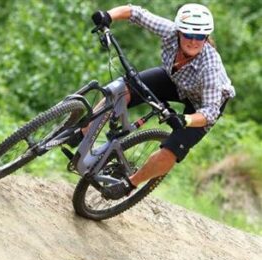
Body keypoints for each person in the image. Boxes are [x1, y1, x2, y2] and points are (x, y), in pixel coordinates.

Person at [70, 4, 236, 200]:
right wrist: (108, 16)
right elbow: (136, 13)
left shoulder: (210, 66)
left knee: (172, 149)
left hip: (203, 105)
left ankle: (129, 184)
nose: (193, 41)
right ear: (179, 31)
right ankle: (82, 132)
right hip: (175, 79)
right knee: (120, 89)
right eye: (188, 34)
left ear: (206, 37)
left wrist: (185, 120)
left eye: (200, 37)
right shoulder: (170, 32)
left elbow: (209, 112)